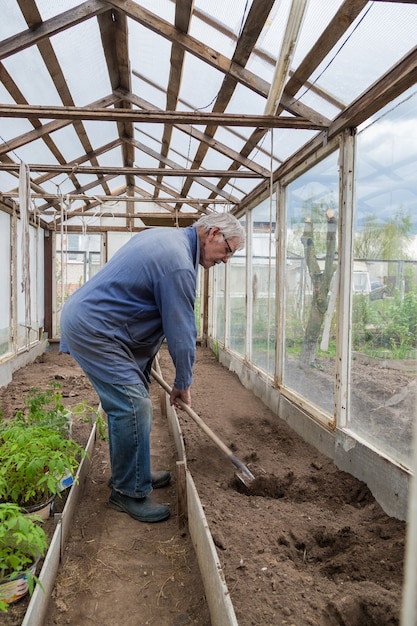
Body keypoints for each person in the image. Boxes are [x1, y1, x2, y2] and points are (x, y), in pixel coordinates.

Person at [59, 213, 245, 523]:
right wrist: (183, 383)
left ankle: (137, 472)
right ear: (213, 233)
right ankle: (127, 491)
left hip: (104, 327)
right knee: (132, 406)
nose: (226, 260)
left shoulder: (169, 241)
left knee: (130, 403)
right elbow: (182, 332)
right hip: (96, 330)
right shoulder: (178, 264)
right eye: (228, 250)